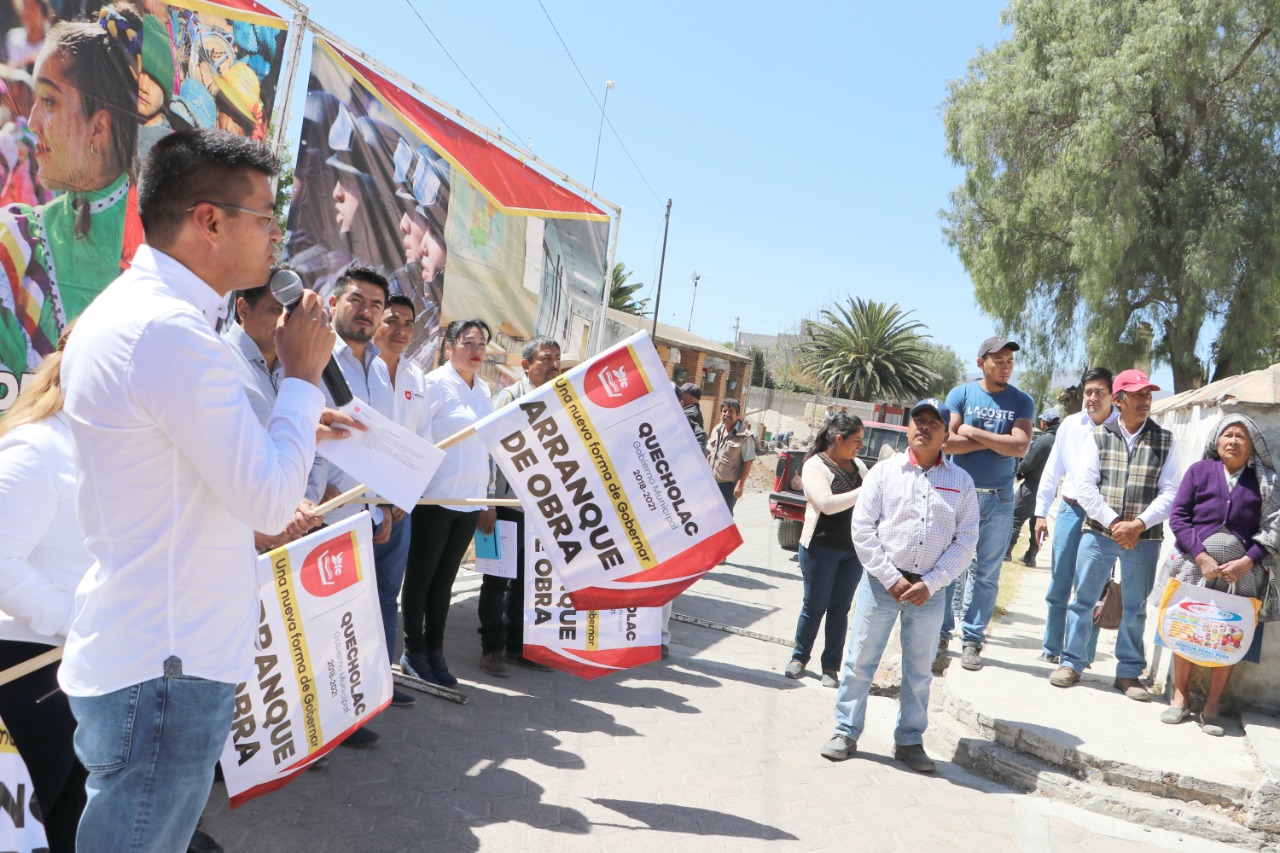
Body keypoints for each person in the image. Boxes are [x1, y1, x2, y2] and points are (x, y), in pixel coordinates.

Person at [57, 128, 350, 851]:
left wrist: (302, 409)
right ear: (208, 220)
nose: (280, 236)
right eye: (267, 217)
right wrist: (303, 378)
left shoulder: (144, 315)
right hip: (167, 663)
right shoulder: (171, 332)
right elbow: (271, 499)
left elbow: (212, 476)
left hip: (153, 653)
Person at [821, 399, 978, 773]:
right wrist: (891, 578)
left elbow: (967, 539)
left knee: (919, 669)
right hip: (881, 585)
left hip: (930, 592)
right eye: (918, 421)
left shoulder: (961, 482)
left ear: (946, 434)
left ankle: (909, 740)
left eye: (933, 423)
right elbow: (862, 529)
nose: (923, 428)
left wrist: (932, 582)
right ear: (909, 428)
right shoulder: (884, 472)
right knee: (860, 660)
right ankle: (845, 731)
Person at [0, 19, 141, 378]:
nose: (32, 122)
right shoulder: (15, 245)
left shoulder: (163, 254)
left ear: (99, 128)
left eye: (48, 101)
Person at [321, 264, 419, 728]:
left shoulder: (380, 372)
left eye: (376, 305)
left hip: (364, 517)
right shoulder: (315, 357)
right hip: (318, 514)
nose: (367, 312)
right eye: (357, 300)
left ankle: (347, 712)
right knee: (320, 620)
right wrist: (320, 490)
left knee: (355, 615)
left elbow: (380, 445)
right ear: (335, 302)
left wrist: (382, 504)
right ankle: (319, 721)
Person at [0, 329, 86, 851]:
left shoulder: (104, 449)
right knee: (33, 825)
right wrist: (76, 624)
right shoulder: (36, 447)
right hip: (26, 672)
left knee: (67, 824)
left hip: (74, 668)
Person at [1049, 369, 1179, 701]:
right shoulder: (1099, 437)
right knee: (1083, 600)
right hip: (1098, 532)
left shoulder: (1165, 440)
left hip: (1145, 538)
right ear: (1119, 400)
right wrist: (1115, 522)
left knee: (1135, 607)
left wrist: (1138, 524)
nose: (1145, 400)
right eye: (1137, 395)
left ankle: (1128, 672)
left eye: (1148, 394)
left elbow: (1171, 492)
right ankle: (1072, 662)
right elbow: (1086, 488)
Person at [1150, 415, 1280, 736]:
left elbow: (1274, 526)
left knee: (1227, 633)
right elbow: (1179, 518)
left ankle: (1213, 705)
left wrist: (1247, 561)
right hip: (1196, 566)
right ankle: (1180, 697)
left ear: (1252, 448)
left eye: (1241, 437)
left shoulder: (1265, 482)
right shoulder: (1200, 471)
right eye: (1228, 434)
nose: (1233, 441)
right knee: (1188, 626)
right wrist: (1202, 556)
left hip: (1242, 575)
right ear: (1217, 440)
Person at [400, 319, 496, 687]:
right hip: (435, 499)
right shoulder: (434, 384)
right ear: (448, 346)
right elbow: (417, 437)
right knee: (421, 578)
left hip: (469, 501)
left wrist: (486, 498)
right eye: (467, 342)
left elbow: (484, 449)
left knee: (445, 582)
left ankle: (435, 653)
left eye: (481, 344)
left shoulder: (483, 388)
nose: (476, 349)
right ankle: (413, 650)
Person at [939, 336, 1034, 672]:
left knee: (987, 575)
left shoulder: (1022, 401)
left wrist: (973, 432)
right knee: (949, 569)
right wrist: (999, 442)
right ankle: (940, 635)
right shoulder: (961, 394)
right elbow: (948, 441)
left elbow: (1020, 447)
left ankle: (972, 640)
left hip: (1000, 497)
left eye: (1010, 360)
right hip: (958, 493)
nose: (1006, 366)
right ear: (981, 362)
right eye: (999, 360)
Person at [477, 336, 561, 677]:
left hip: (539, 507)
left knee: (529, 580)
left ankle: (518, 647)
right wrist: (488, 501)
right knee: (498, 579)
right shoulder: (510, 398)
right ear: (526, 365)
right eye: (546, 357)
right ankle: (491, 650)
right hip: (505, 503)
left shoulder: (556, 400)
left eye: (557, 358)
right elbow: (487, 449)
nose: (553, 363)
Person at [1032, 368, 1116, 665]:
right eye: (1089, 392)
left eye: (1099, 392)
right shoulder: (1070, 425)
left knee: (1092, 586)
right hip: (1070, 509)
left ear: (1112, 395)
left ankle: (1082, 652)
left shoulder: (1122, 427)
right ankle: (1052, 646)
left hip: (1103, 517)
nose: (1093, 398)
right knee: (1059, 582)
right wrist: (1041, 513)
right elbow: (1053, 469)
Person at [784, 413, 868, 687]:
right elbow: (827, 503)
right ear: (839, 439)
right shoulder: (814, 466)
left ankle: (830, 667)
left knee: (840, 609)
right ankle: (799, 658)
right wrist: (866, 491)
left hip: (852, 551)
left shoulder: (859, 467)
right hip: (820, 547)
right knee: (814, 606)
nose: (860, 447)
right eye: (856, 441)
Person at [1006, 408, 1060, 566]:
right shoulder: (1060, 440)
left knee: (1015, 517)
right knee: (1037, 521)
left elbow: (1028, 463)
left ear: (1044, 423)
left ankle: (1006, 552)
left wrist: (1016, 471)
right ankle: (1031, 556)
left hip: (1032, 487)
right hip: (1050, 488)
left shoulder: (1044, 441)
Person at [707, 397, 755, 515]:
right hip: (711, 481)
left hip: (728, 485)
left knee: (724, 517)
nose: (727, 414)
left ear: (738, 415)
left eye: (731, 411)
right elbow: (709, 452)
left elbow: (747, 462)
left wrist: (740, 485)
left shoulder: (745, 436)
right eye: (724, 411)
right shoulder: (717, 429)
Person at [678, 381, 707, 453]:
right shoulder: (691, 410)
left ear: (690, 398)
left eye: (682, 394)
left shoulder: (691, 413)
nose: (679, 395)